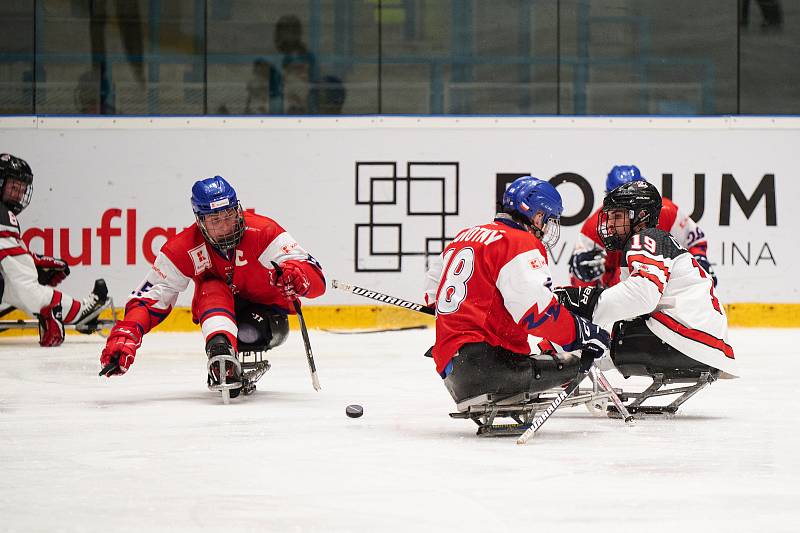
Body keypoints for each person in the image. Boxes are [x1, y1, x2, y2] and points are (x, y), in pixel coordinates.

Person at [99, 175, 325, 398]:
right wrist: (127, 334)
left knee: (246, 332)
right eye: (215, 221)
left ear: (238, 210)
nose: (226, 226)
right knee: (211, 286)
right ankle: (221, 353)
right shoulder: (183, 248)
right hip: (217, 316)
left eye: (229, 215)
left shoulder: (263, 232)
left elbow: (316, 280)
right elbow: (151, 297)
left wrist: (298, 276)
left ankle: (227, 349)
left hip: (265, 321)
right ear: (200, 221)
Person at [422, 176, 611, 405]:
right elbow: (537, 315)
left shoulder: (464, 236)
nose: (546, 228)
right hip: (491, 369)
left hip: (452, 370)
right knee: (572, 362)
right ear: (538, 215)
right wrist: (582, 333)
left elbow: (433, 294)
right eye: (548, 220)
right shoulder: (519, 242)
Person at [557, 180, 737, 393]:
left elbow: (642, 296)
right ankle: (559, 365)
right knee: (597, 330)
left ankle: (549, 369)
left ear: (640, 216)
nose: (611, 224)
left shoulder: (645, 239)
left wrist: (587, 302)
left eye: (617, 216)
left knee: (586, 332)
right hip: (704, 345)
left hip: (683, 341)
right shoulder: (655, 241)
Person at [0, 153, 109, 346]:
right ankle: (83, 308)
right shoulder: (3, 216)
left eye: (22, 190)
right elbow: (23, 288)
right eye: (13, 187)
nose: (18, 195)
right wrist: (73, 310)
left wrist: (30, 262)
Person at [569, 165, 716, 289]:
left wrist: (699, 262)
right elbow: (580, 284)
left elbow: (696, 242)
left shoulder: (666, 212)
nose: (629, 207)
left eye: (634, 199)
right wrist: (582, 275)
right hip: (619, 302)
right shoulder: (595, 227)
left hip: (663, 296)